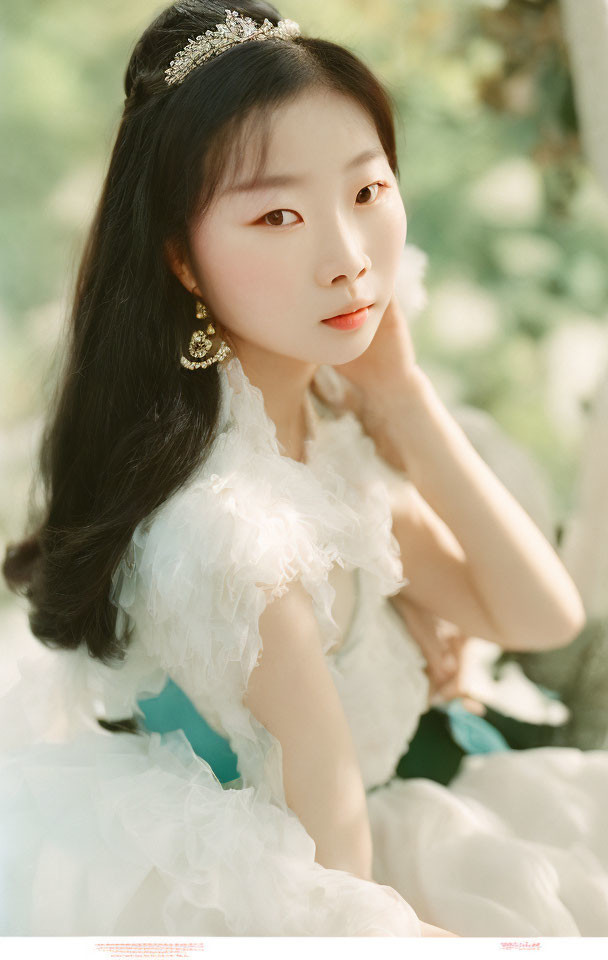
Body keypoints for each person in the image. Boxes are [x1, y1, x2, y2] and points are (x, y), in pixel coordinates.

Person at [1, 0, 607, 939]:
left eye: (367, 192)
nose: (349, 257)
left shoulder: (322, 427)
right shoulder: (235, 528)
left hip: (415, 816)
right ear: (182, 259)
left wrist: (401, 396)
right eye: (278, 214)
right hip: (333, 893)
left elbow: (541, 616)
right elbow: (339, 889)